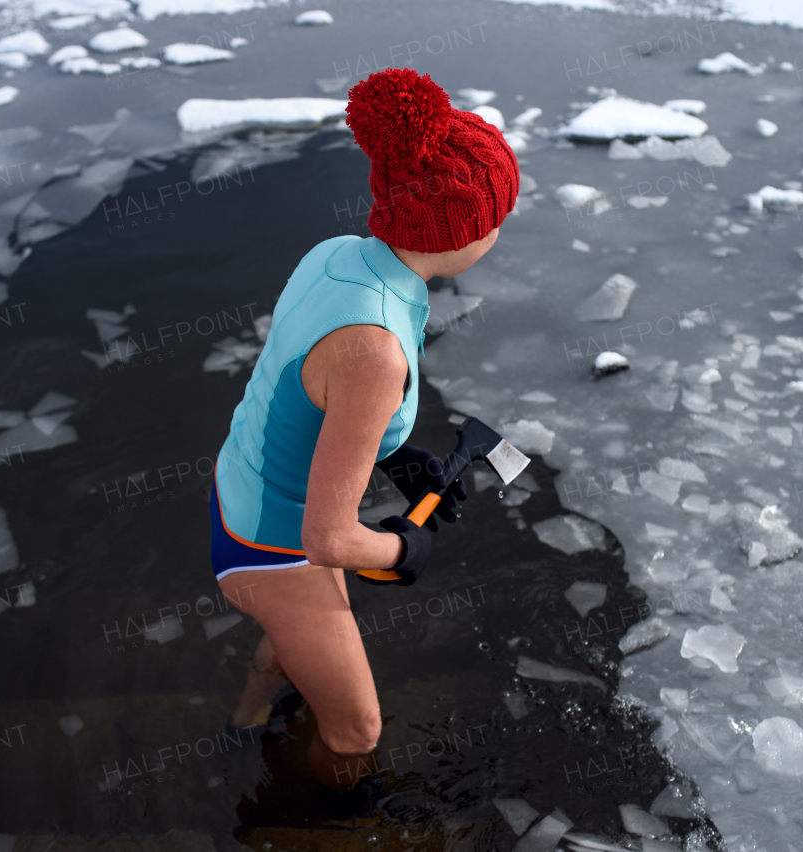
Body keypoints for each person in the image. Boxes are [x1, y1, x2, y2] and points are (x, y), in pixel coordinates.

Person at [208, 67, 520, 790]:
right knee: (357, 732)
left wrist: (395, 451)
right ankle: (301, 826)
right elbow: (329, 541)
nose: (501, 228)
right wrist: (404, 547)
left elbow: (306, 391)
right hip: (272, 547)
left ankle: (246, 723)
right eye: (497, 215)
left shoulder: (339, 255)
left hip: (238, 489)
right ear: (465, 231)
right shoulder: (377, 348)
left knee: (299, 636)